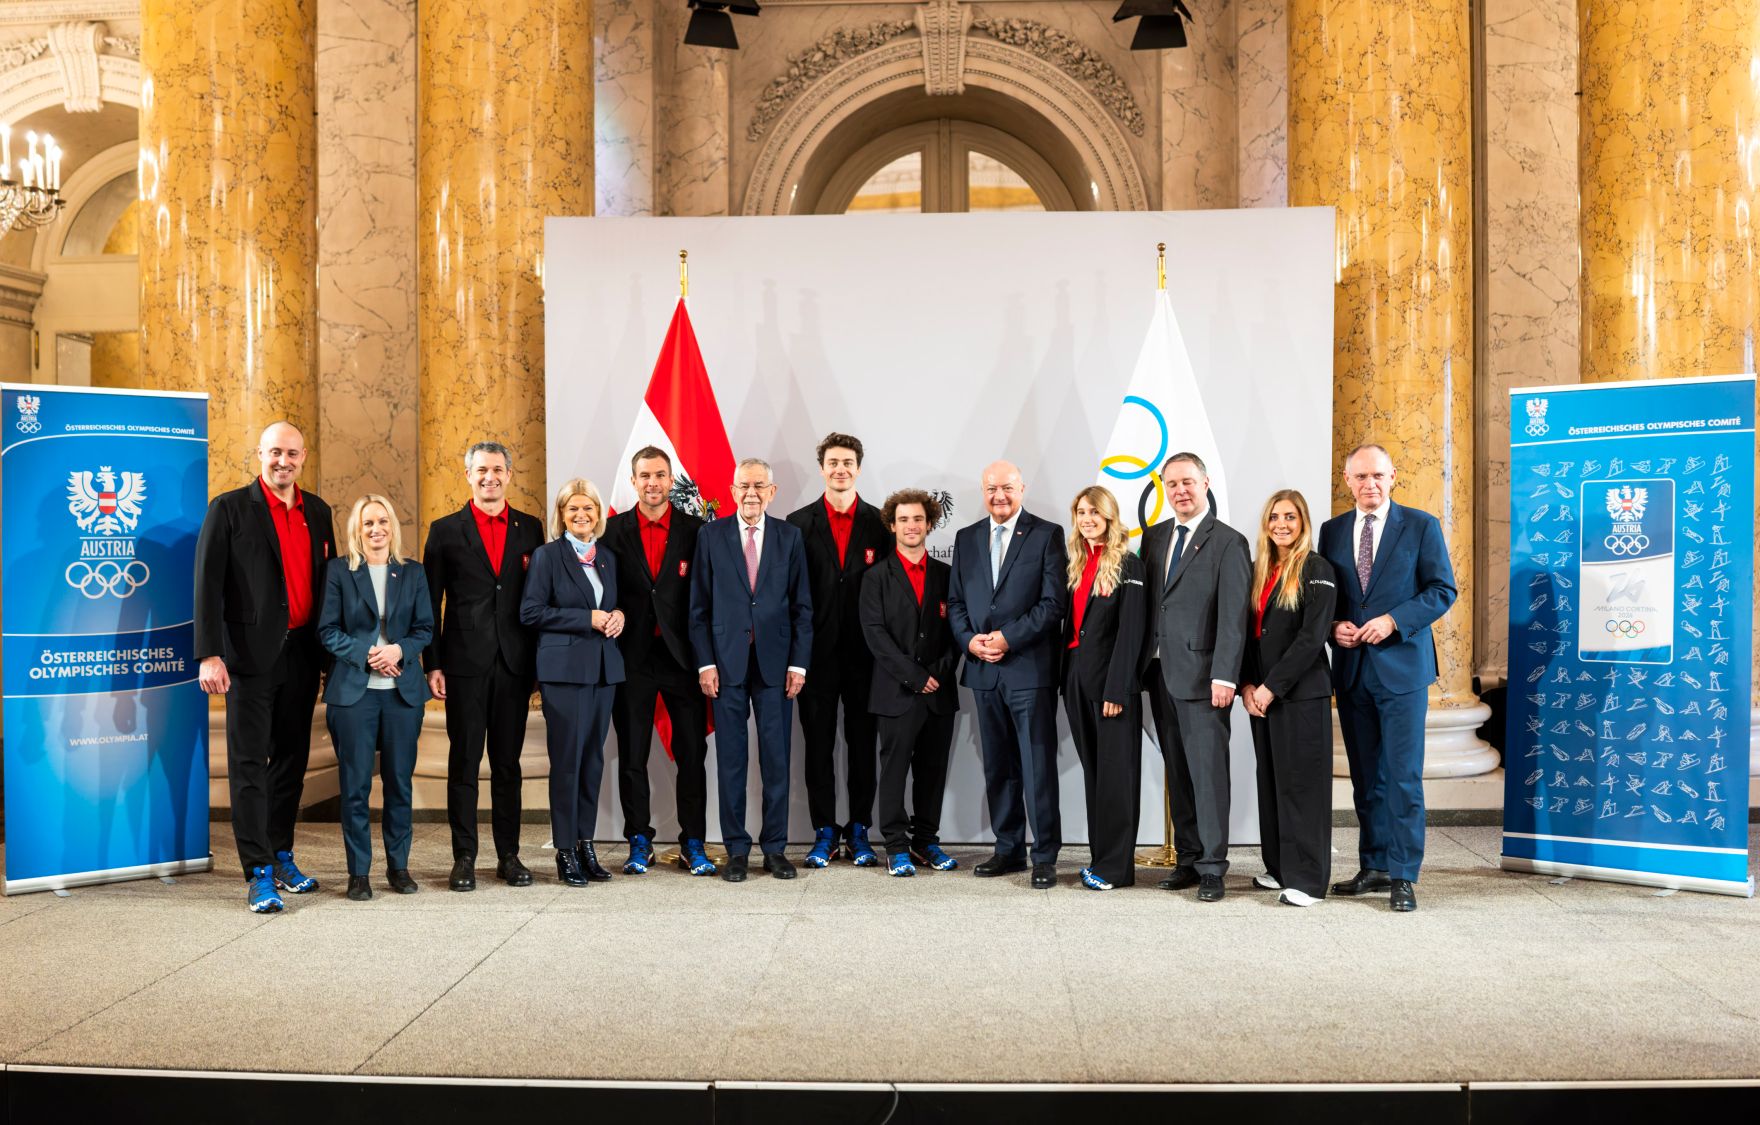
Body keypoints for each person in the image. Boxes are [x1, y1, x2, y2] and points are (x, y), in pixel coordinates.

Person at [195, 421, 338, 914]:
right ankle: (257, 872)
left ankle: (281, 855)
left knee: (292, 762)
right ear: (259, 453)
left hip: (302, 655)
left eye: (292, 453)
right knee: (250, 764)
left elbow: (329, 588)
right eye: (275, 452)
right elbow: (207, 585)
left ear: (303, 457)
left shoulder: (318, 512)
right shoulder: (230, 508)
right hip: (247, 659)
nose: (284, 461)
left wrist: (330, 655)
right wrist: (209, 654)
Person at [1319, 444, 1458, 913]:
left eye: (1377, 475)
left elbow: (1443, 589)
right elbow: (1329, 596)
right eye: (1360, 477)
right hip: (1354, 671)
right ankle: (1373, 865)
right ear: (1346, 479)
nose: (1369, 485)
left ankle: (1403, 874)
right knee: (1365, 778)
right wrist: (1333, 625)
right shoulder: (1332, 531)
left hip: (1402, 669)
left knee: (1402, 777)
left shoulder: (1421, 526)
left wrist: (1394, 620)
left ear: (1393, 476)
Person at [421, 441, 545, 892]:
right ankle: (465, 857)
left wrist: (538, 664)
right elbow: (429, 603)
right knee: (464, 762)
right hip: (463, 664)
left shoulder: (531, 528)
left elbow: (540, 598)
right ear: (468, 475)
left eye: (497, 469)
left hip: (514, 663)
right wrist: (431, 664)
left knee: (508, 764)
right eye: (481, 470)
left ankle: (509, 856)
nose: (489, 477)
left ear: (510, 475)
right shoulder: (445, 530)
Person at [690, 457, 814, 882]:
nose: (751, 493)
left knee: (777, 760)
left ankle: (775, 849)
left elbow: (802, 608)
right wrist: (706, 662)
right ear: (731, 490)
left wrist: (798, 664)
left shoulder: (790, 537)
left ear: (772, 492)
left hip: (777, 669)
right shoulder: (710, 536)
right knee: (731, 763)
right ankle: (736, 850)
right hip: (725, 668)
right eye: (744, 485)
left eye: (759, 486)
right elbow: (699, 608)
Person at [948, 460, 1067, 889]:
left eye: (1007, 488)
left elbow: (1053, 605)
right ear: (983, 491)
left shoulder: (1046, 534)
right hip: (983, 671)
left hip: (1028, 670)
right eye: (991, 488)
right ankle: (1009, 848)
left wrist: (1006, 638)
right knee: (998, 766)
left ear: (1022, 489)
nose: (999, 496)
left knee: (1036, 766)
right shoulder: (966, 537)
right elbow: (956, 602)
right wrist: (971, 642)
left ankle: (1046, 855)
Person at [1141, 452, 1251, 903]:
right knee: (1179, 773)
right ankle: (1187, 858)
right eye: (1172, 484)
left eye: (1188, 482)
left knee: (1208, 776)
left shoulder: (1228, 542)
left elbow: (1233, 618)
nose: (1180, 491)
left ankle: (1212, 867)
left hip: (1205, 679)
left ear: (1205, 483)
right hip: (1159, 675)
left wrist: (1225, 675)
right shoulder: (1154, 538)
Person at [603, 447, 715, 876]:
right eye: (644, 475)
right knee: (632, 754)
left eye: (660, 475)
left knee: (691, 753)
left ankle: (693, 841)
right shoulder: (610, 531)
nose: (652, 482)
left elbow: (703, 596)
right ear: (633, 482)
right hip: (630, 659)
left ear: (672, 480)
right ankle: (638, 840)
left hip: (682, 659)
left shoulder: (697, 531)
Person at [316, 495, 434, 901]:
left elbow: (425, 628)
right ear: (357, 529)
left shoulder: (413, 573)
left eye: (382, 521)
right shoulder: (339, 572)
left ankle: (398, 867)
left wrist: (398, 650)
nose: (376, 530)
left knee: (399, 784)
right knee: (355, 786)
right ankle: (359, 873)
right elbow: (328, 630)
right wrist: (369, 655)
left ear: (392, 527)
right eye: (367, 523)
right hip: (354, 694)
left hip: (402, 695)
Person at [787, 432, 891, 868]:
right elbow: (790, 594)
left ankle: (861, 829)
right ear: (822, 468)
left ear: (859, 468)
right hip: (815, 656)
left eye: (848, 462)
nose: (840, 469)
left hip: (868, 657)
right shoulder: (797, 522)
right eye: (833, 462)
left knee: (864, 745)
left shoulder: (881, 523)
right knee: (818, 747)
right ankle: (825, 830)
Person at [521, 479, 627, 886]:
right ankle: (565, 850)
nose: (581, 516)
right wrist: (586, 619)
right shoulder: (548, 557)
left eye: (588, 509)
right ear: (561, 515)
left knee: (593, 762)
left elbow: (610, 605)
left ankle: (586, 842)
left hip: (603, 672)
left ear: (599, 515)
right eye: (572, 510)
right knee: (567, 763)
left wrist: (617, 616)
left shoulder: (607, 558)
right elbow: (531, 612)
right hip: (564, 675)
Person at [1238, 490, 1336, 907]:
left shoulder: (1316, 568)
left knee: (1303, 788)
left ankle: (1309, 881)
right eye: (1274, 517)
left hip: (1299, 695)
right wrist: (1246, 685)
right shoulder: (1262, 571)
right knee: (1272, 783)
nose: (1281, 524)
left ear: (1303, 523)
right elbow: (1248, 636)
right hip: (1261, 697)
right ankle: (1279, 867)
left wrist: (1270, 687)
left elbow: (1311, 639)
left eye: (1290, 517)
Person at [859, 489, 961, 877]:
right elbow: (875, 637)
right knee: (895, 769)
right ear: (892, 525)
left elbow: (958, 631)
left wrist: (939, 672)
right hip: (896, 692)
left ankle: (926, 842)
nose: (911, 526)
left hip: (940, 692)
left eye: (918, 519)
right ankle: (896, 846)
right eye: (903, 520)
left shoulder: (947, 576)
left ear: (930, 523)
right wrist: (917, 677)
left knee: (933, 771)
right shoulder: (875, 578)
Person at [1061, 487, 1147, 891]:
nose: (1087, 519)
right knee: (1095, 773)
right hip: (1077, 677)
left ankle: (1115, 869)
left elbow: (1132, 633)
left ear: (1110, 516)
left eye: (1094, 512)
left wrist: (1118, 690)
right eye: (1081, 512)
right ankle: (1101, 859)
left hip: (1112, 685)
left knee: (1116, 777)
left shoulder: (1128, 563)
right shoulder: (1078, 562)